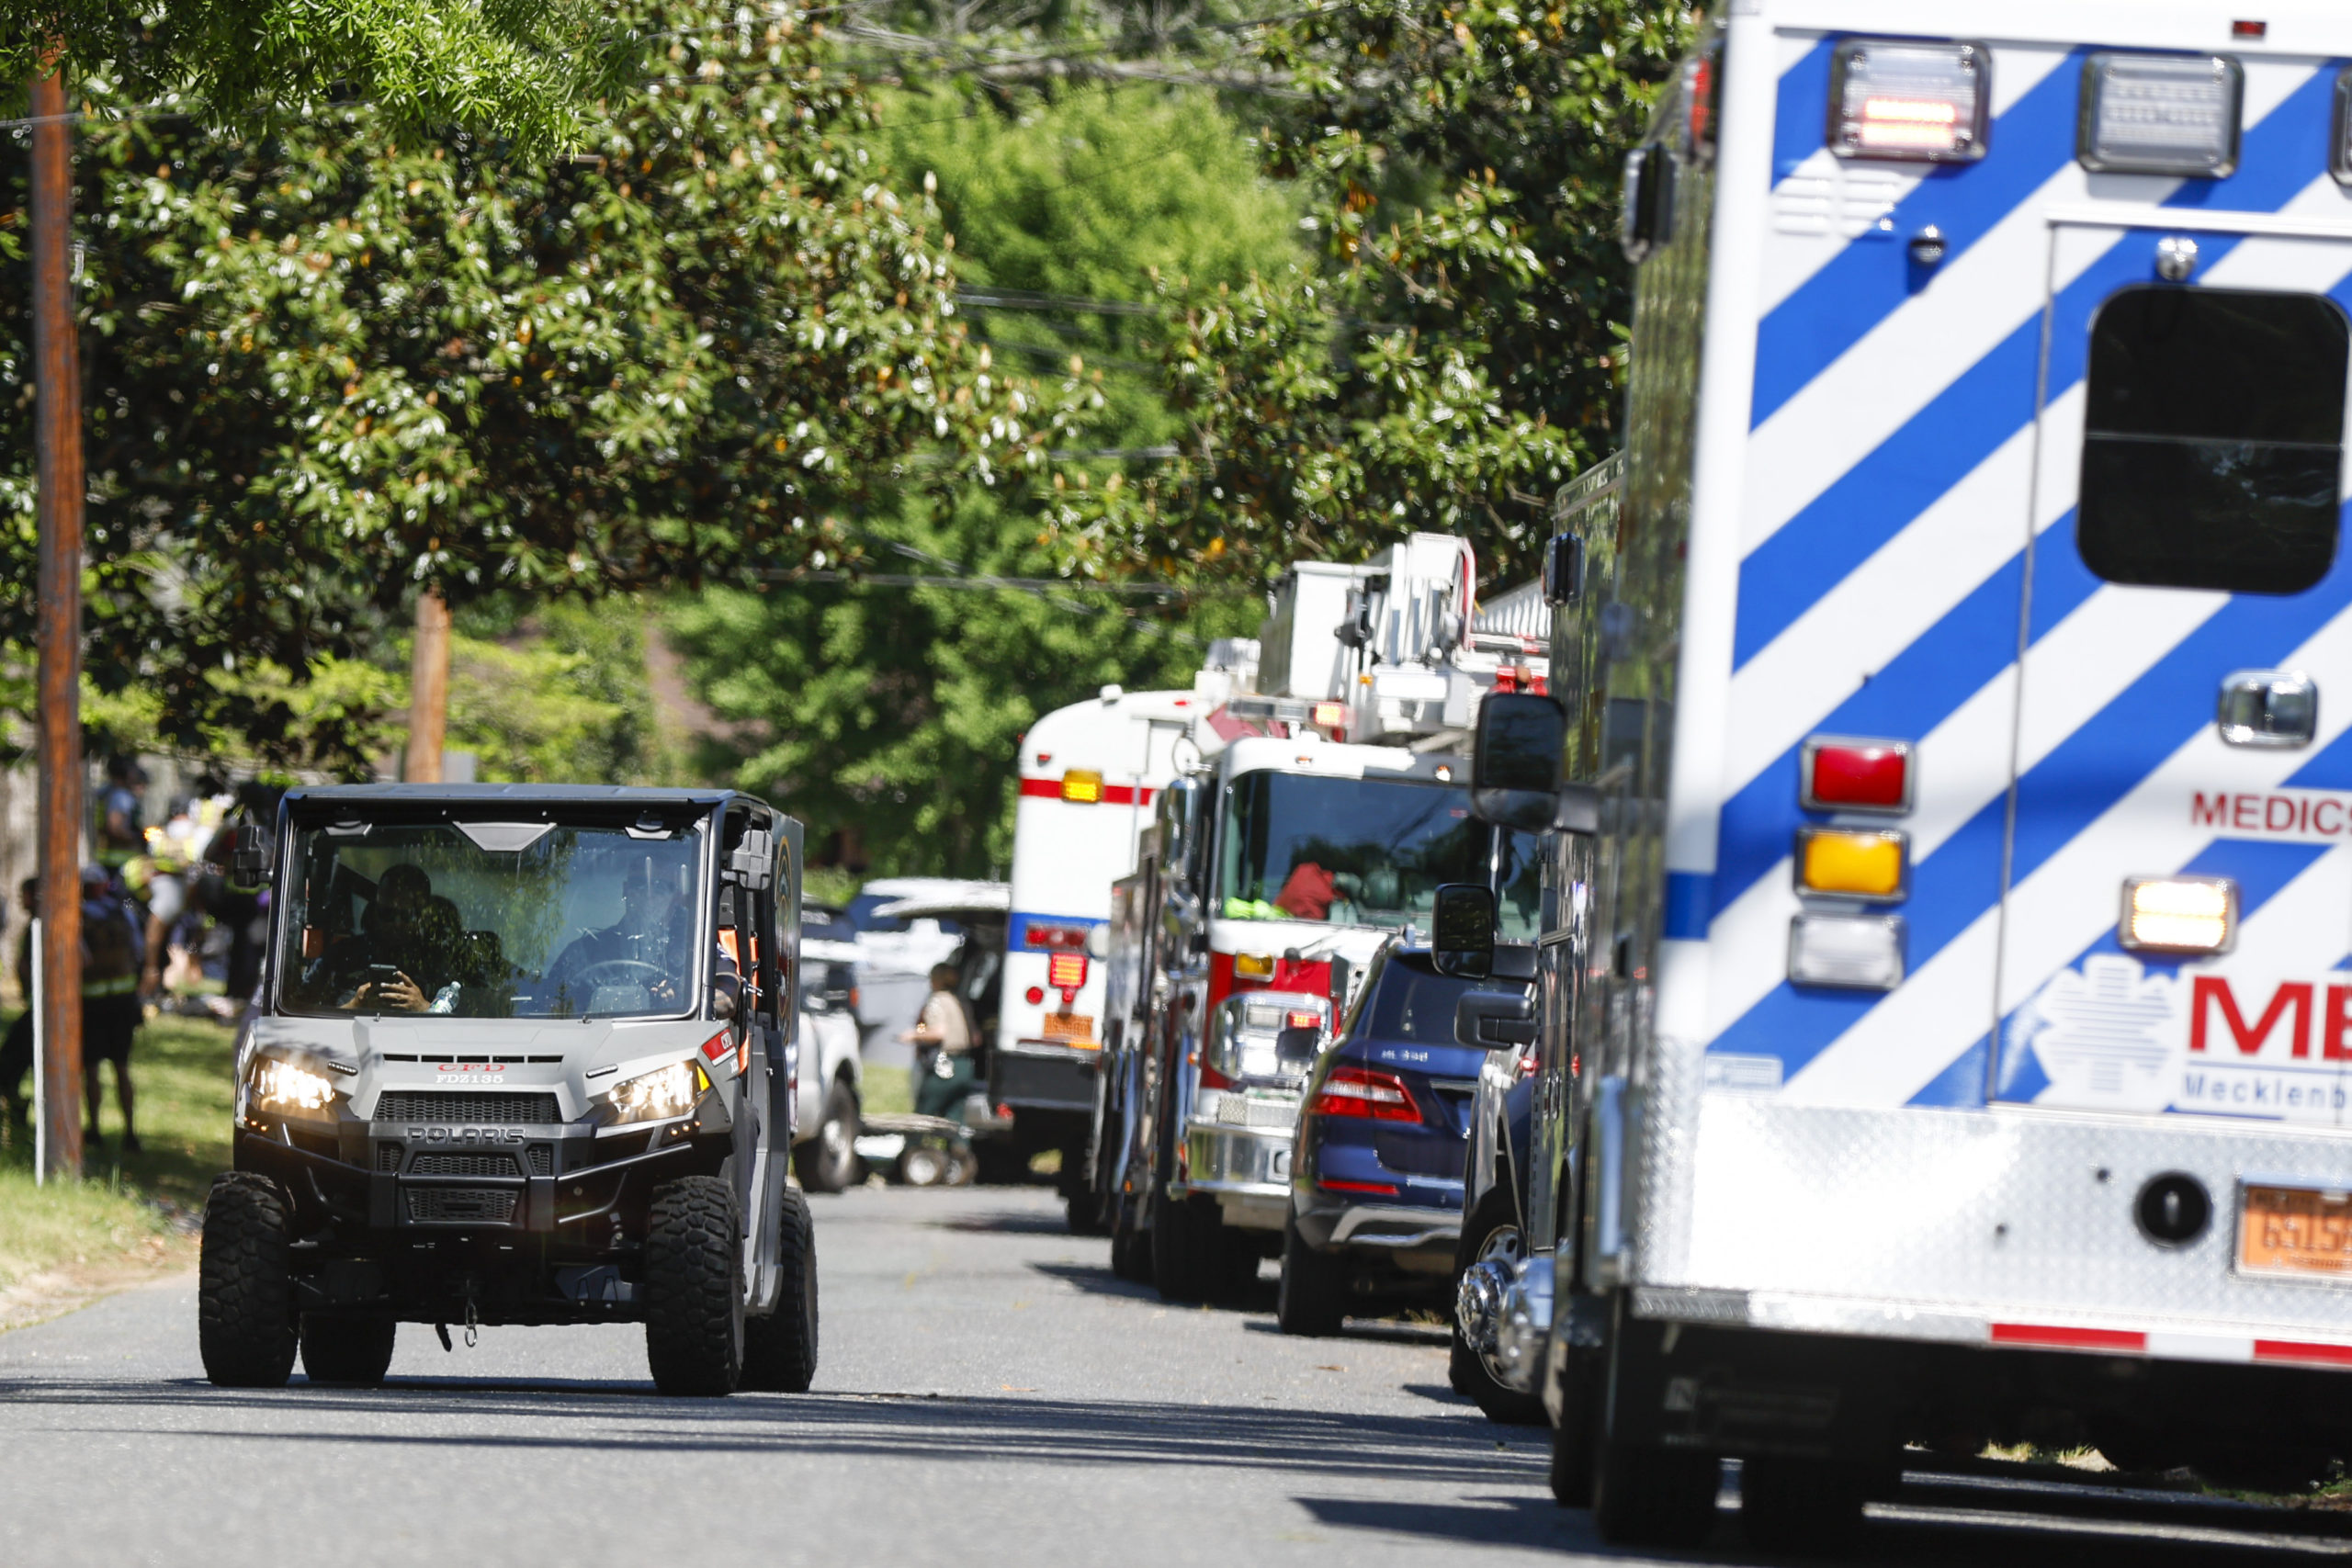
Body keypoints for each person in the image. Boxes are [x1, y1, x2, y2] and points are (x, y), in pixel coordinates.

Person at [80, 864, 144, 1152]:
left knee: (91, 1069)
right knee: (122, 1067)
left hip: (92, 1003)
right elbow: (138, 951)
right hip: (123, 1002)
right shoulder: (123, 913)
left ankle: (94, 1130)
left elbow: (79, 959)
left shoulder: (76, 917)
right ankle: (130, 1133)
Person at [903, 963, 979, 1120]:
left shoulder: (937, 1001)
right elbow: (976, 1038)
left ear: (936, 980)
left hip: (945, 1065)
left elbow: (938, 1032)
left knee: (923, 1115)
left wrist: (914, 1035)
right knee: (956, 1121)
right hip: (965, 1065)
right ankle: (959, 1144)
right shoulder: (961, 1002)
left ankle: (914, 1144)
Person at [0, 878, 32, 1120]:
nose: (22, 901)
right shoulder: (34, 924)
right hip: (34, 1008)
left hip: (40, 1011)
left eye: (25, 895)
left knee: (9, 1064)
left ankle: (16, 1114)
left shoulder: (40, 926)